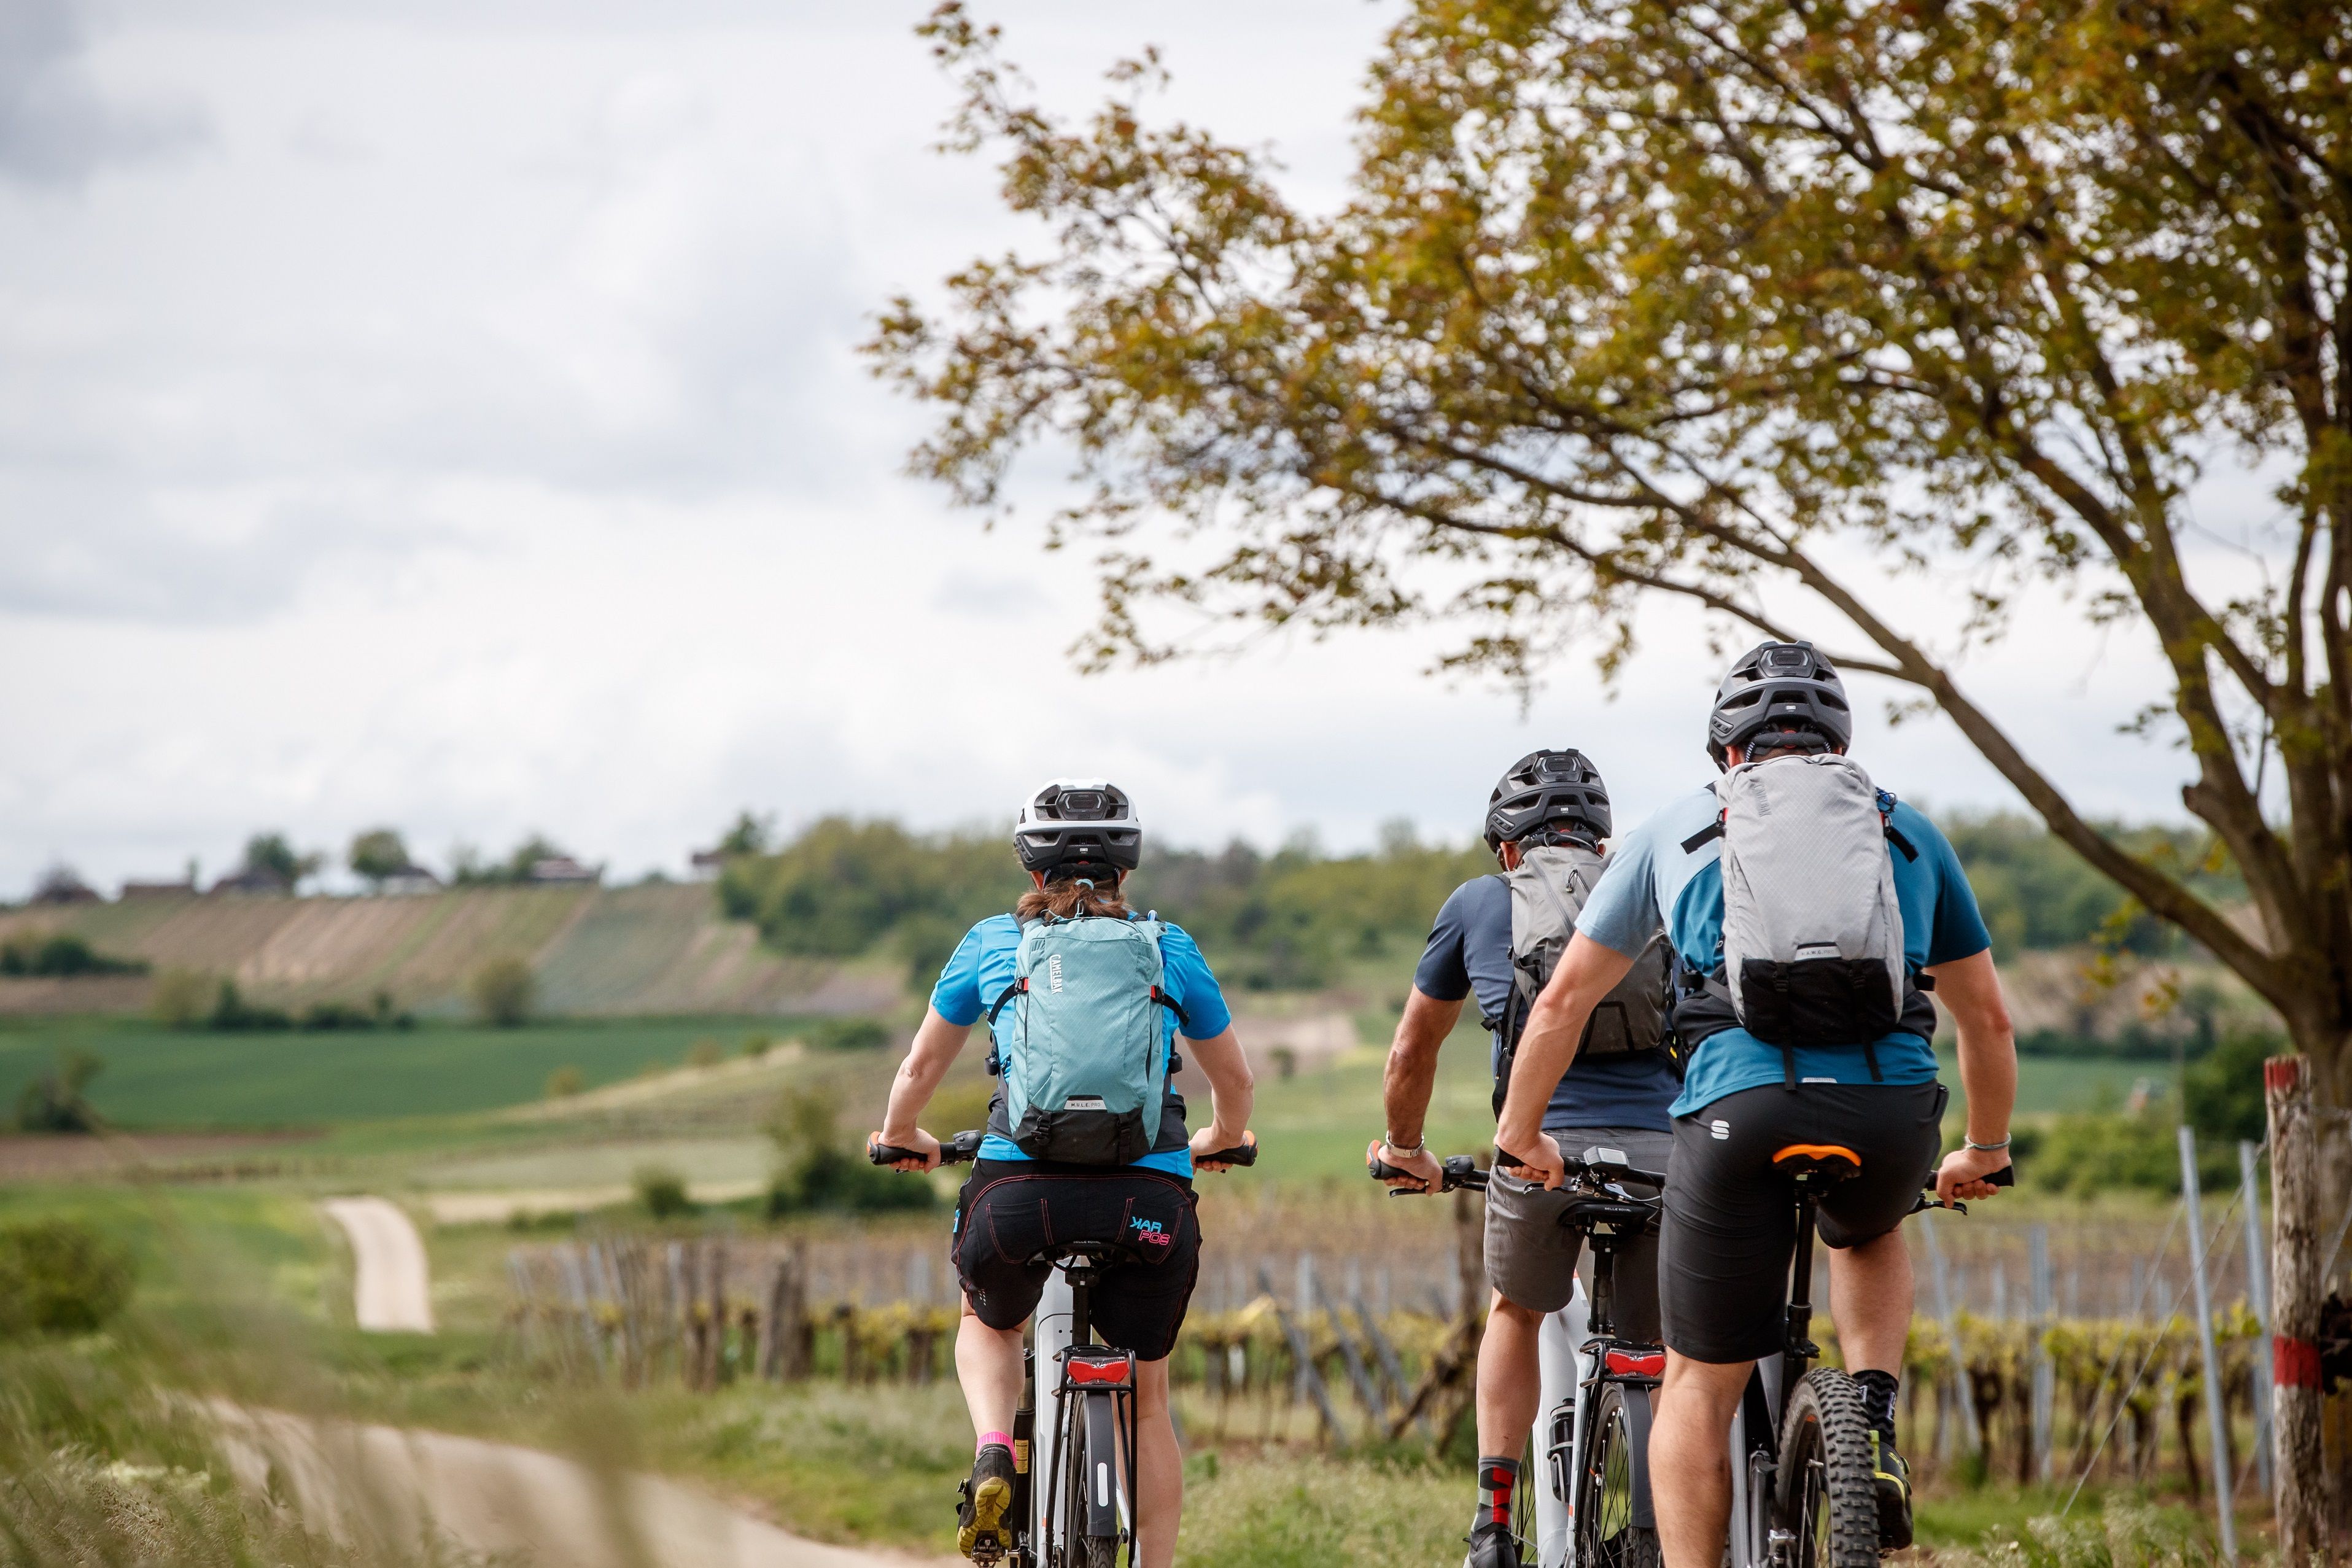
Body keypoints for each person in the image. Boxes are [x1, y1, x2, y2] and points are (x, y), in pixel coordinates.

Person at [1492, 642, 2017, 1567]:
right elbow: (1987, 1020)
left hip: (1740, 1108)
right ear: (1835, 742)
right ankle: (1873, 1420)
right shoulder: (1905, 830)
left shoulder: (1675, 828)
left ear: (1725, 752)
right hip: (1887, 1107)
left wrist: (1519, 1135)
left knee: (1699, 1381)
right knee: (1866, 1227)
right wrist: (1981, 1145)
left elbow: (1562, 1002)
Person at [872, 778, 1255, 1568]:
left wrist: (903, 1134)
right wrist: (1223, 1136)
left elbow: (918, 1070)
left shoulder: (991, 944)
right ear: (1128, 869)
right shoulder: (1167, 947)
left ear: (1031, 869)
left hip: (1020, 1198)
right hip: (1147, 1203)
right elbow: (1236, 1083)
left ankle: (992, 1452)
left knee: (987, 1323)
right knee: (1148, 1400)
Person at [1370, 748, 1677, 1568]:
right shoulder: (1654, 895)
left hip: (1539, 1150)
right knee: (1675, 1345)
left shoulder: (1477, 902)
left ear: (1507, 848)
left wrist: (1405, 1148)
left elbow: (1410, 1049)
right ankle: (1684, 1520)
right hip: (1662, 1154)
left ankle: (1492, 1519)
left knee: (1515, 1308)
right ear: (1600, 841)